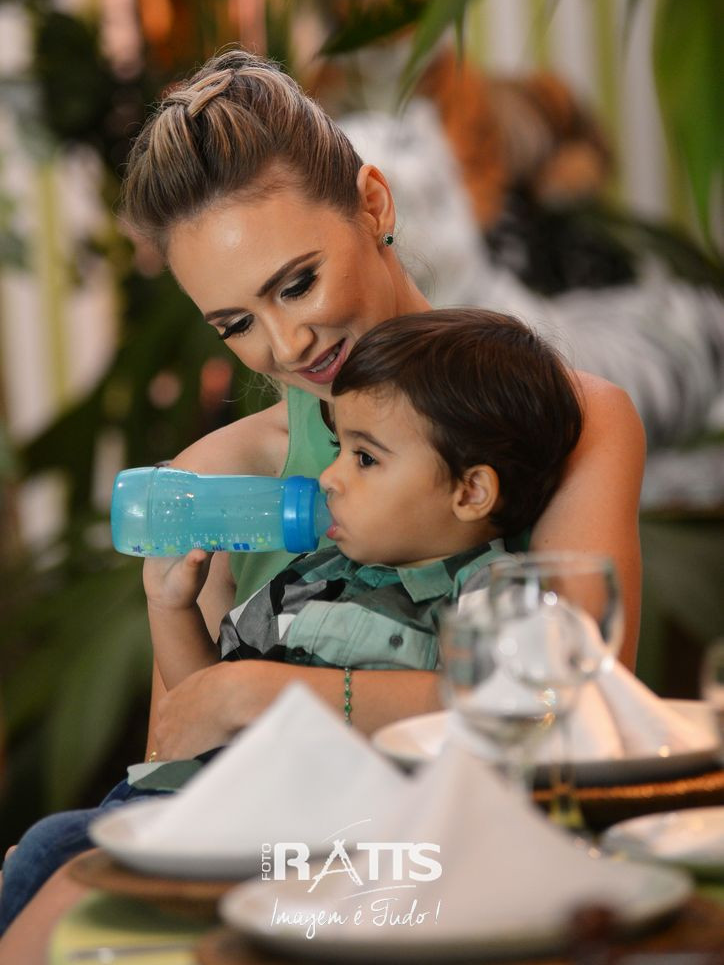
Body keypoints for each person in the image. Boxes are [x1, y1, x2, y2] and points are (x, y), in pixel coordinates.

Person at [0, 48, 644, 961]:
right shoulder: (221, 477)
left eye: (297, 282)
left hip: (440, 857)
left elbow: (574, 713)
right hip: (239, 844)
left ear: (373, 205)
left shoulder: (574, 421)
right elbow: (181, 759)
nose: (287, 343)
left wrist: (270, 694)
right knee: (56, 873)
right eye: (235, 324)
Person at [0, 307, 582, 933]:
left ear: (470, 492)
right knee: (47, 849)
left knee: (52, 856)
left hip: (309, 842)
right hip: (192, 807)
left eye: (365, 459)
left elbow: (511, 706)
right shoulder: (310, 575)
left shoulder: (489, 594)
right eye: (339, 449)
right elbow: (206, 708)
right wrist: (170, 607)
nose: (329, 476)